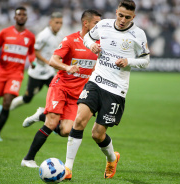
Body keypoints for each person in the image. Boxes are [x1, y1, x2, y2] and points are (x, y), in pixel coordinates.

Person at [64, 0, 150, 180]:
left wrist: (129, 61)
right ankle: (67, 169)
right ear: (116, 12)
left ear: (133, 17)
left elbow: (145, 60)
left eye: (127, 17)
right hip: (96, 81)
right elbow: (87, 37)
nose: (123, 20)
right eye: (120, 15)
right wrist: (91, 45)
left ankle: (112, 158)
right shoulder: (103, 25)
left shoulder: (138, 34)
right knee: (79, 120)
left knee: (97, 134)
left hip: (116, 90)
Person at [20, 9, 102, 169]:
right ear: (86, 23)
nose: (99, 27)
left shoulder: (99, 45)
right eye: (96, 23)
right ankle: (28, 159)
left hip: (77, 95)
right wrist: (67, 67)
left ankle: (41, 115)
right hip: (61, 87)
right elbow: (52, 60)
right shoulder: (70, 40)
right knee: (52, 123)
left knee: (66, 131)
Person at [0, 6, 36, 142]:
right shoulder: (5, 32)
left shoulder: (30, 36)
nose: (21, 16)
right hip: (1, 73)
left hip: (16, 74)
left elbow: (31, 52)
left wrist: (32, 61)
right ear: (15, 17)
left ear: (26, 18)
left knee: (7, 102)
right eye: (19, 14)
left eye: (24, 15)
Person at [8, 12, 64, 111]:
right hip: (37, 71)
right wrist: (47, 61)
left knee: (59, 91)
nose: (58, 25)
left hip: (49, 71)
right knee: (27, 98)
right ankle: (6, 108)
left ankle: (51, 114)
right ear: (50, 22)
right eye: (56, 22)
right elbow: (34, 51)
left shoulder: (59, 36)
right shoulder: (44, 35)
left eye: (60, 23)